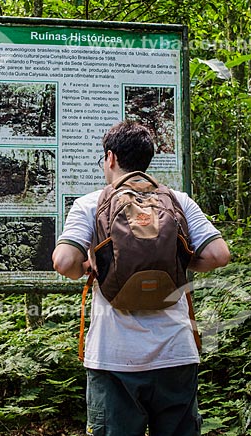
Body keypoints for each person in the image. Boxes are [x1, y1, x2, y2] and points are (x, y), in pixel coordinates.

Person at [52, 121, 230, 436]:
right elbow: (219, 255)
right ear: (147, 160)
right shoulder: (178, 200)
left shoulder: (91, 203)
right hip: (176, 352)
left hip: (114, 357)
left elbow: (64, 262)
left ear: (110, 158)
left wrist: (90, 266)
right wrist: (182, 261)